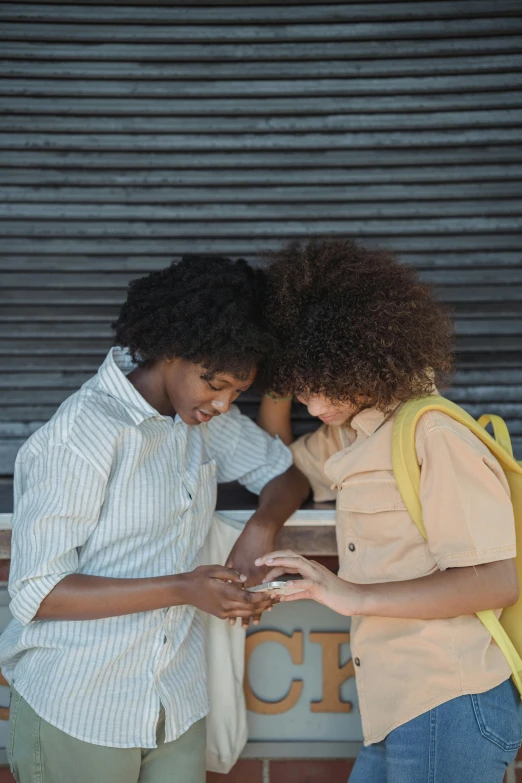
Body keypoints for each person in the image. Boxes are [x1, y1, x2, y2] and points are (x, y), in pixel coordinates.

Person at [0, 255, 310, 783]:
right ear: (171, 349)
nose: (222, 403)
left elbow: (287, 476)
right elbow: (38, 592)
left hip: (174, 704)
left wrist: (260, 530)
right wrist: (185, 588)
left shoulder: (200, 421)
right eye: (214, 383)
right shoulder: (82, 435)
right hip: (81, 707)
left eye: (238, 391)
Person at [256, 237, 522, 783]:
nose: (311, 406)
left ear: (356, 355)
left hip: (449, 700)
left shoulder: (433, 432)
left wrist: (350, 595)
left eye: (317, 384)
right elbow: (277, 464)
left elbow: (496, 581)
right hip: (398, 709)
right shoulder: (351, 433)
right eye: (298, 389)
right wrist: (279, 368)